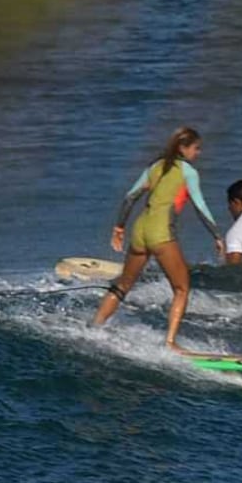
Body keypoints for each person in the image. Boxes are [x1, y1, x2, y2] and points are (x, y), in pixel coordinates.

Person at [93, 126, 223, 350]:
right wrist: (217, 236)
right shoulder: (188, 172)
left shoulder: (155, 167)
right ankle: (171, 342)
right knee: (182, 289)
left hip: (140, 230)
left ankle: (94, 327)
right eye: (196, 148)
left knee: (123, 284)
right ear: (183, 148)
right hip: (161, 233)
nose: (198, 153)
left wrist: (119, 227)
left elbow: (130, 197)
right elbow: (200, 206)